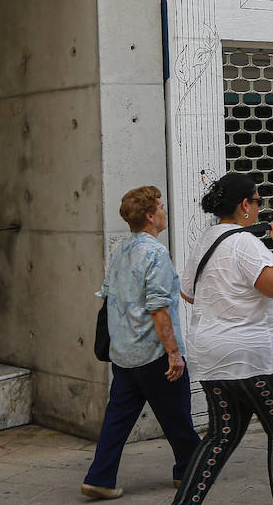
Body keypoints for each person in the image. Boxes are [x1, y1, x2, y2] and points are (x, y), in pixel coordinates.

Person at [173, 173, 273, 505]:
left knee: (220, 436)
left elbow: (189, 293)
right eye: (257, 202)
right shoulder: (244, 242)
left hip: (212, 356)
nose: (258, 209)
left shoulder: (207, 240)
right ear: (245, 204)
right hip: (259, 356)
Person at [81, 186, 200, 501]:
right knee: (177, 414)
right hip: (153, 352)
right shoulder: (156, 253)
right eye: (160, 206)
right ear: (150, 216)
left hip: (124, 353)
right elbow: (158, 308)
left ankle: (100, 477)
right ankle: (190, 469)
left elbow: (108, 294)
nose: (164, 210)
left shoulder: (122, 248)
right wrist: (174, 354)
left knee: (117, 420)